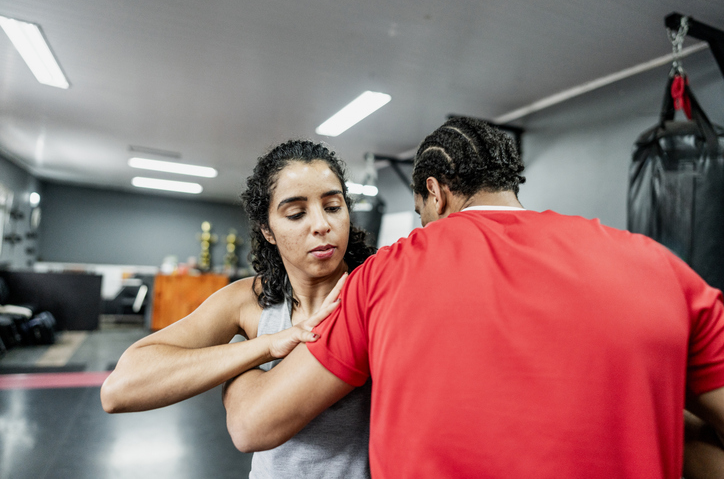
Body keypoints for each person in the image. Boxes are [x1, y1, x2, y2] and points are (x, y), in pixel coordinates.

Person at [222, 117, 724, 478]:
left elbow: (252, 425)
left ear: (435, 195)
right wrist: (643, 413)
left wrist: (236, 358)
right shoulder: (658, 266)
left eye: (420, 212)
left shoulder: (385, 274)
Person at [101, 140, 375, 478]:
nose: (321, 224)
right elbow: (119, 389)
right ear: (267, 230)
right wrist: (265, 346)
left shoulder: (376, 293)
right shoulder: (248, 301)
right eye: (296, 213)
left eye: (333, 207)